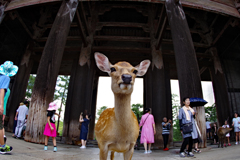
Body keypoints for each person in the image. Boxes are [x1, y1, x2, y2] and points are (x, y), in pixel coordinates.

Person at [0, 61, 18, 154]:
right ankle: (2, 147)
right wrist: (2, 108)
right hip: (0, 106)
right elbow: (2, 92)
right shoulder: (6, 78)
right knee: (0, 127)